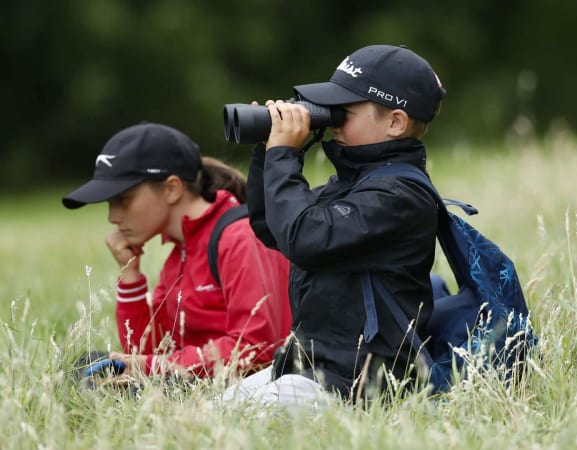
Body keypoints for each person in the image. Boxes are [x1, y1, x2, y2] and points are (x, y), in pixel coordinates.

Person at [223, 44, 446, 408]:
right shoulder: (356, 183)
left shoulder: (399, 196)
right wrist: (267, 152)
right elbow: (272, 227)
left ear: (395, 122)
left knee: (236, 421)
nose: (332, 121)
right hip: (313, 367)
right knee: (209, 414)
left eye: (345, 111)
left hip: (357, 382)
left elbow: (304, 238)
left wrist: (284, 155)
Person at [62, 122, 293, 379]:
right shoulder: (181, 252)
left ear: (172, 189)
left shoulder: (240, 238)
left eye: (123, 200)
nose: (113, 217)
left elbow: (255, 349)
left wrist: (155, 366)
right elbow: (145, 351)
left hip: (265, 384)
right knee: (87, 365)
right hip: (210, 382)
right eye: (110, 203)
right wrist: (130, 274)